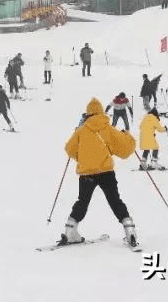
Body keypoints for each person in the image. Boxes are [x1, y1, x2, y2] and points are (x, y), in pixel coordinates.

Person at [61, 97, 137, 248]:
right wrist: (128, 136)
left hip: (86, 173)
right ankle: (130, 230)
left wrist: (81, 157)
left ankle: (70, 231)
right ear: (101, 112)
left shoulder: (81, 130)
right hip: (106, 172)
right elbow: (124, 149)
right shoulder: (107, 128)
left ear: (88, 113)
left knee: (82, 201)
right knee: (115, 200)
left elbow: (69, 149)